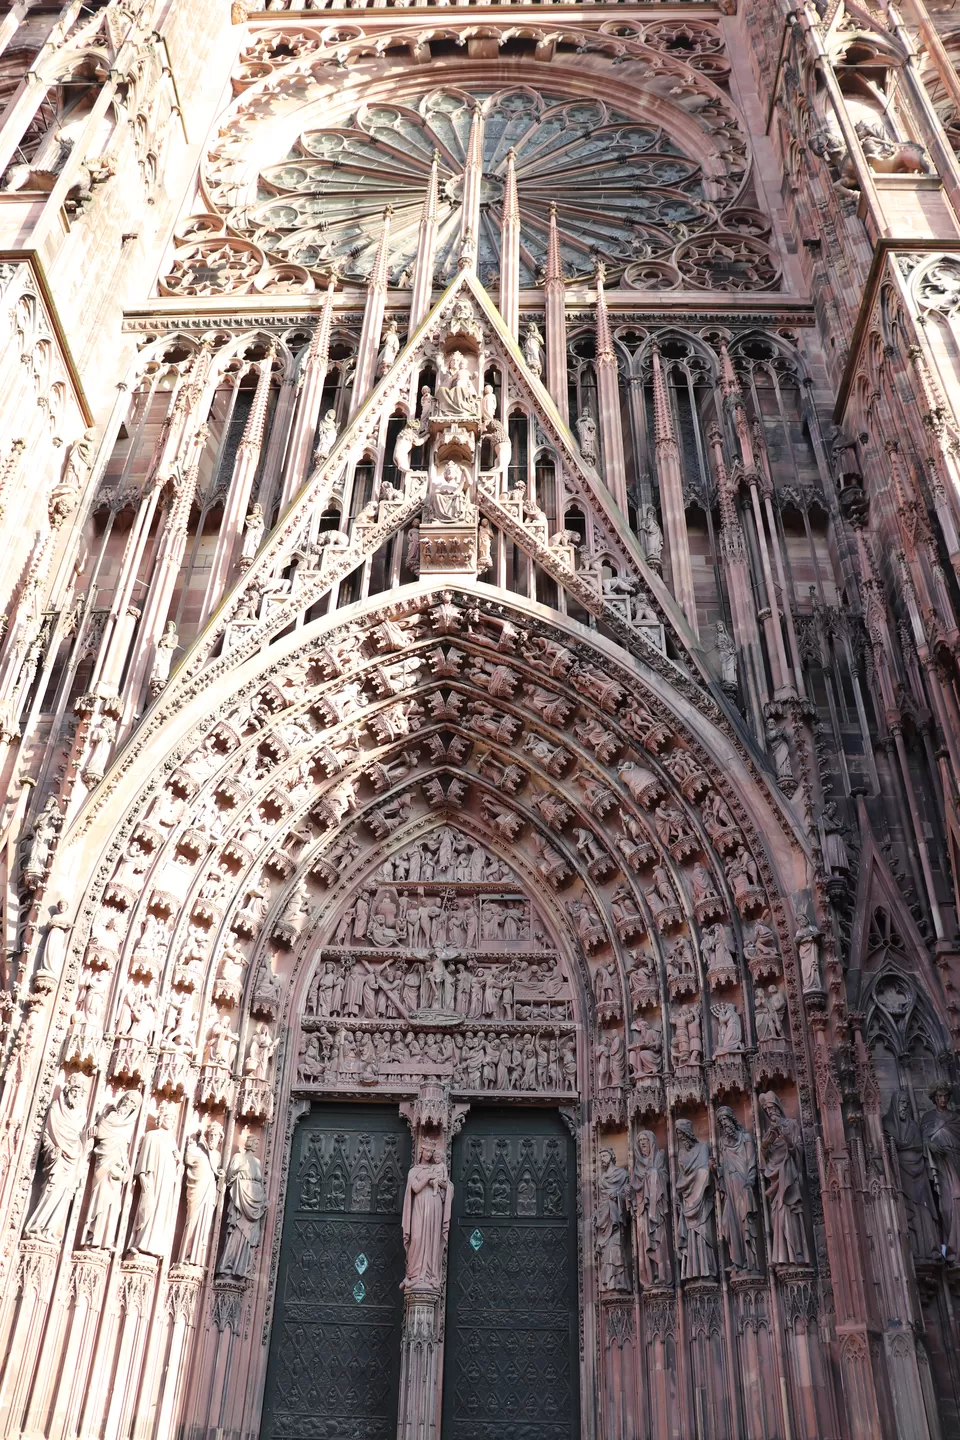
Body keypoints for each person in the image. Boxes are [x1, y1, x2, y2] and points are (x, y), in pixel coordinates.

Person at [401, 1141, 453, 1290]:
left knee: (432, 1240)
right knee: (417, 1237)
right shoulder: (414, 1171)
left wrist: (440, 1182)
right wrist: (428, 1177)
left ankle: (430, 1275)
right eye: (427, 1151)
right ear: (421, 1152)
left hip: (434, 1206)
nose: (429, 1154)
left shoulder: (437, 1167)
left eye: (431, 1152)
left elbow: (448, 1186)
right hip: (418, 1207)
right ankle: (414, 1275)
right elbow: (415, 1188)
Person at [217, 1135, 267, 1278]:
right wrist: (240, 1169)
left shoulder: (257, 1162)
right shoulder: (238, 1157)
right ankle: (228, 1266)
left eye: (258, 1143)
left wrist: (263, 1200)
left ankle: (242, 1268)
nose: (257, 1145)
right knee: (237, 1231)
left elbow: (261, 1183)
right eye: (255, 1142)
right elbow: (229, 1178)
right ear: (249, 1143)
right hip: (240, 1198)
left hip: (255, 1201)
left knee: (249, 1236)